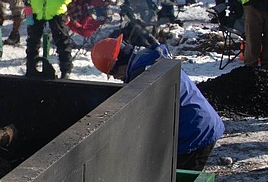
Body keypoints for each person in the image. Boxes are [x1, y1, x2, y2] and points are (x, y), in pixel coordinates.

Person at [91, 34, 225, 171]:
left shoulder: (145, 77)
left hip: (194, 133)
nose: (117, 78)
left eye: (113, 74)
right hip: (196, 123)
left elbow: (145, 122)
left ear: (118, 64)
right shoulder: (149, 60)